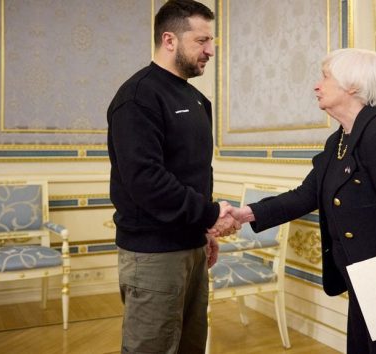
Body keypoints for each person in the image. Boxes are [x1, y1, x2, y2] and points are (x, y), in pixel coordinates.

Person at [214, 48, 376, 353]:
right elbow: (305, 195)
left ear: (353, 86)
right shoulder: (339, 139)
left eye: (325, 77)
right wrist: (244, 214)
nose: (316, 85)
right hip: (364, 287)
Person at [107, 1, 239, 353]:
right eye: (202, 40)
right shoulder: (138, 97)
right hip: (153, 254)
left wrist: (203, 230)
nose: (210, 50)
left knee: (191, 346)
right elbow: (146, 180)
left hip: (193, 246)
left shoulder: (197, 99)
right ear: (169, 40)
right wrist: (210, 214)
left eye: (211, 41)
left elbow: (196, 172)